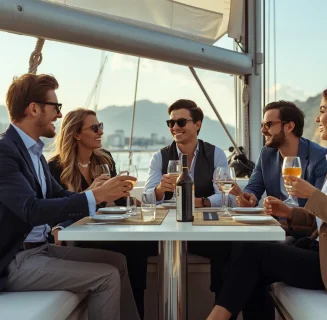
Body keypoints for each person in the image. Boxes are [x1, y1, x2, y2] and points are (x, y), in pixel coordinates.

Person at [207, 84, 327, 320]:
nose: (317, 118)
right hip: (319, 248)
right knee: (246, 263)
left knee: (252, 254)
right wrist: (290, 213)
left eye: (322, 110)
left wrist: (312, 196)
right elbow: (323, 221)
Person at [0, 73, 140, 320]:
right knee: (106, 277)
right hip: (14, 261)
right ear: (34, 109)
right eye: (55, 107)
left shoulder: (34, 153)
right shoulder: (5, 152)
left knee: (118, 262)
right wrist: (95, 196)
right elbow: (31, 210)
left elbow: (59, 195)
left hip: (39, 250)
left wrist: (99, 194)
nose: (59, 115)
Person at [48, 108, 156, 319]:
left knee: (139, 247)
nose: (101, 132)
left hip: (105, 228)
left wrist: (129, 198)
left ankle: (137, 312)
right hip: (78, 234)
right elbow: (57, 210)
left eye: (101, 126)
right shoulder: (54, 167)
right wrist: (91, 193)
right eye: (95, 128)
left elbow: (116, 200)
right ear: (76, 134)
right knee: (125, 251)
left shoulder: (104, 159)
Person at [143, 99, 229, 295]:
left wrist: (202, 202)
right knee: (132, 252)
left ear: (197, 124)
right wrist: (158, 190)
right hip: (165, 232)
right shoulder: (159, 157)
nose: (174, 127)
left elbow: (227, 196)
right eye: (170, 123)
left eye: (181, 122)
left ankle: (221, 309)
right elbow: (146, 199)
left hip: (203, 231)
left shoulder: (215, 154)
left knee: (227, 249)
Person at [230, 100, 327, 238]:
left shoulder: (320, 158)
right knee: (232, 243)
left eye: (269, 125)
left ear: (289, 127)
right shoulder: (267, 154)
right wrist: (249, 197)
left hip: (305, 233)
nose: (263, 130)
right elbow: (254, 187)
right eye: (262, 125)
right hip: (276, 228)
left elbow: (322, 210)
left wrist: (289, 215)